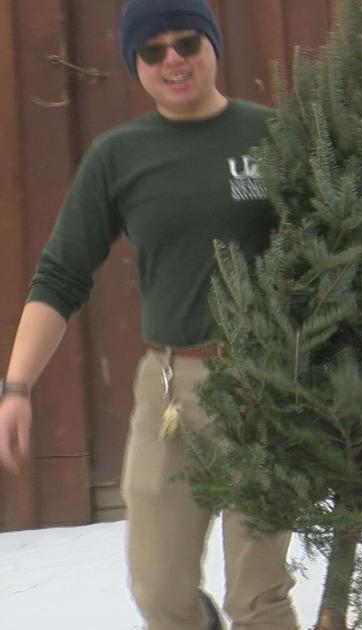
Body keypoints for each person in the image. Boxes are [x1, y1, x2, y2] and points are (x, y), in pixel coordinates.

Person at [0, 1, 299, 628]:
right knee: (159, 591)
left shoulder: (275, 136)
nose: (173, 61)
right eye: (153, 50)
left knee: (259, 597)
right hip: (169, 390)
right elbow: (60, 275)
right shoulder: (118, 156)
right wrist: (17, 387)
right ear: (134, 63)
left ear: (212, 45)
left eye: (187, 43)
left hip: (268, 386)